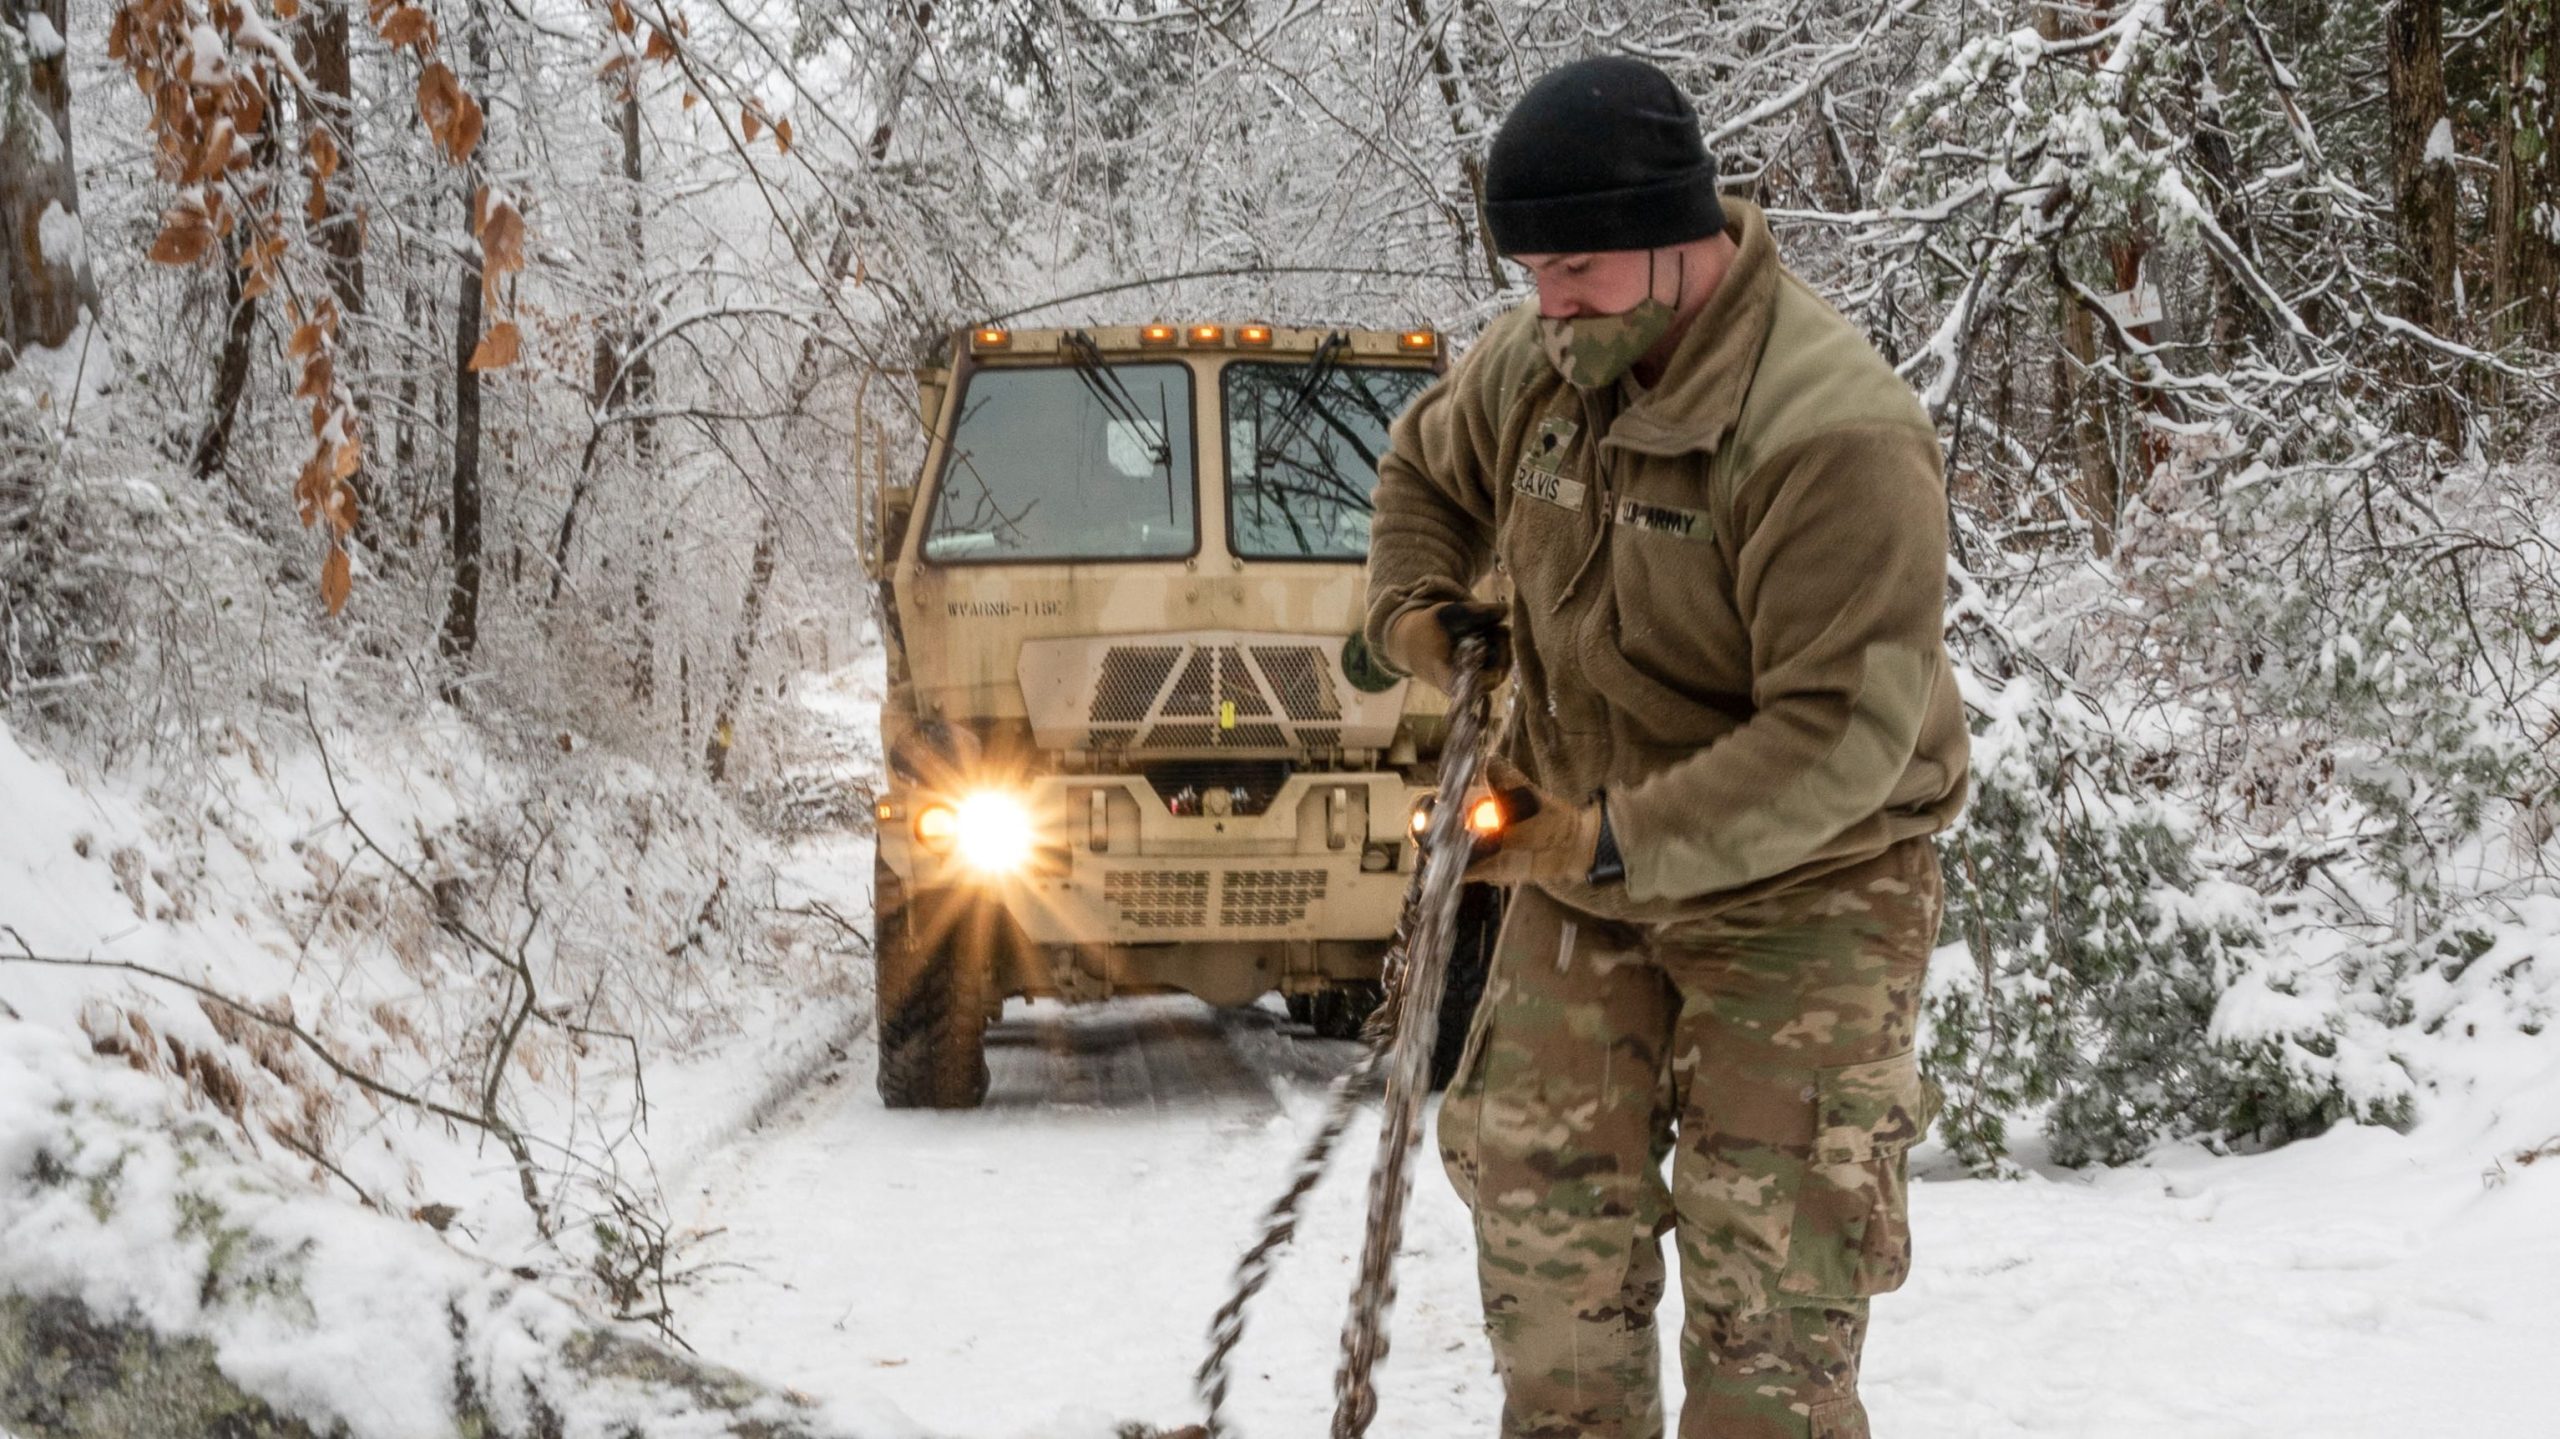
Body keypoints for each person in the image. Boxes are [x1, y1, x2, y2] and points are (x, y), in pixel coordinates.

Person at [1362, 55, 1972, 1439]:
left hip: (1809, 890)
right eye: (1532, 274)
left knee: (1772, 1304)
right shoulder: (1549, 361)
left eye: (1575, 271)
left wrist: (1612, 837)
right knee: (1543, 1234)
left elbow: (1840, 738)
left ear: (1676, 236)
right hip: (1583, 874)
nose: (1547, 307)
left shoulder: (1833, 434)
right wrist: (1420, 611)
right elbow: (1421, 471)